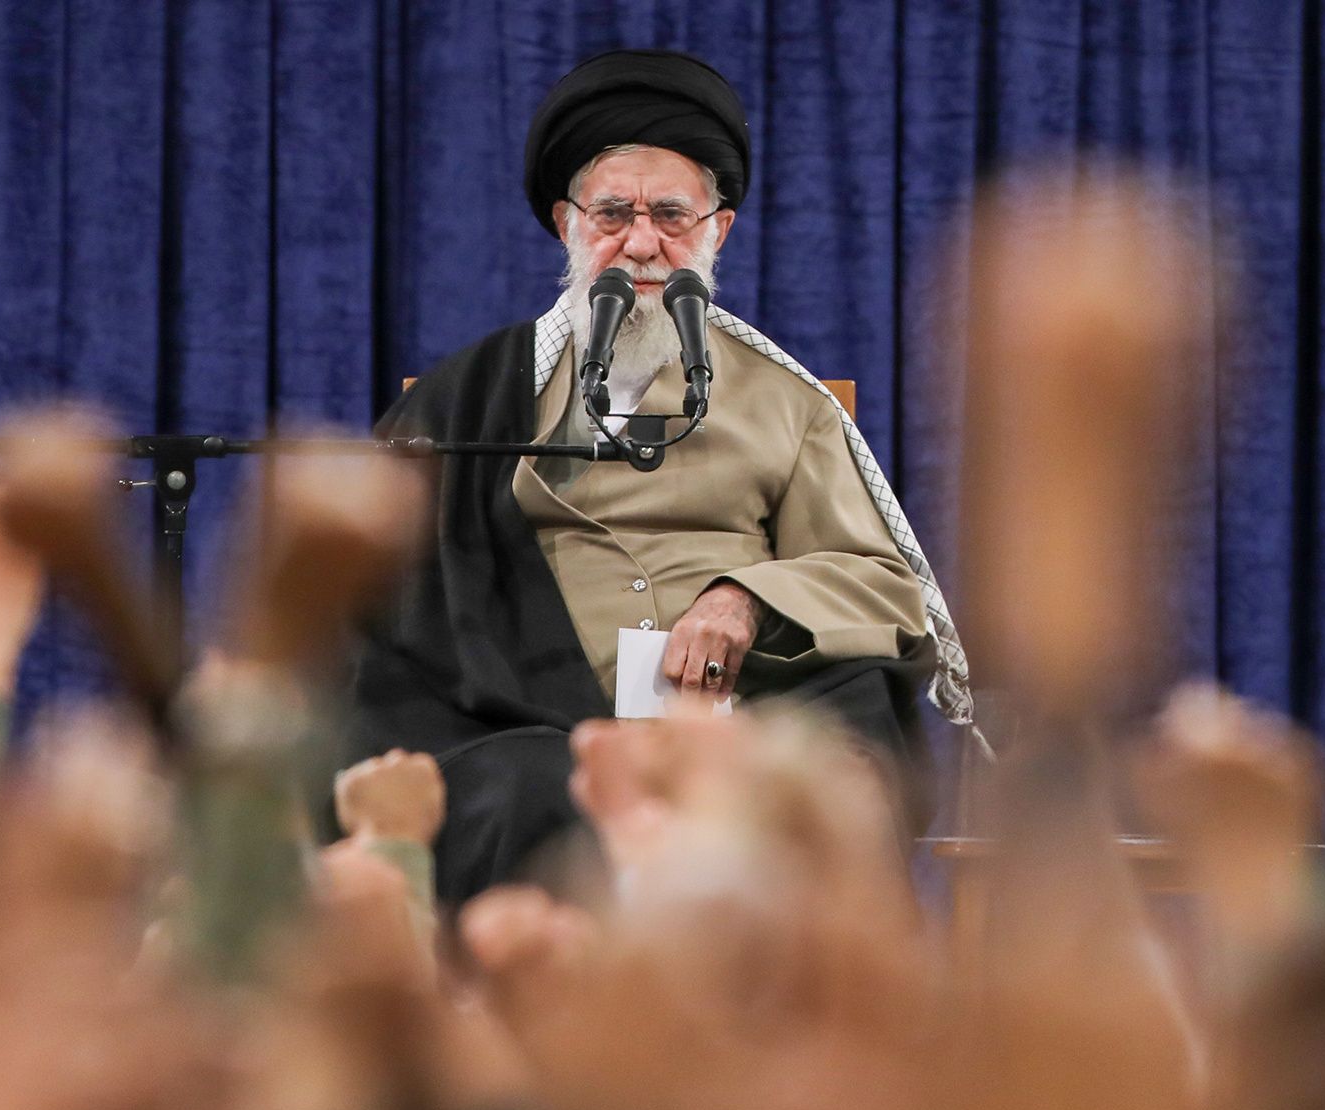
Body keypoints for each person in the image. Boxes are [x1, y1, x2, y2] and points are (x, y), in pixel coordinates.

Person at [353, 48, 975, 903]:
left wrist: (745, 599)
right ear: (567, 224)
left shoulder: (787, 402)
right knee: (529, 789)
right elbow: (391, 602)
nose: (642, 244)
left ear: (719, 230)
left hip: (736, 723)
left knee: (830, 766)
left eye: (672, 216)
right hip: (532, 726)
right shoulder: (476, 398)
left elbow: (882, 584)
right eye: (614, 214)